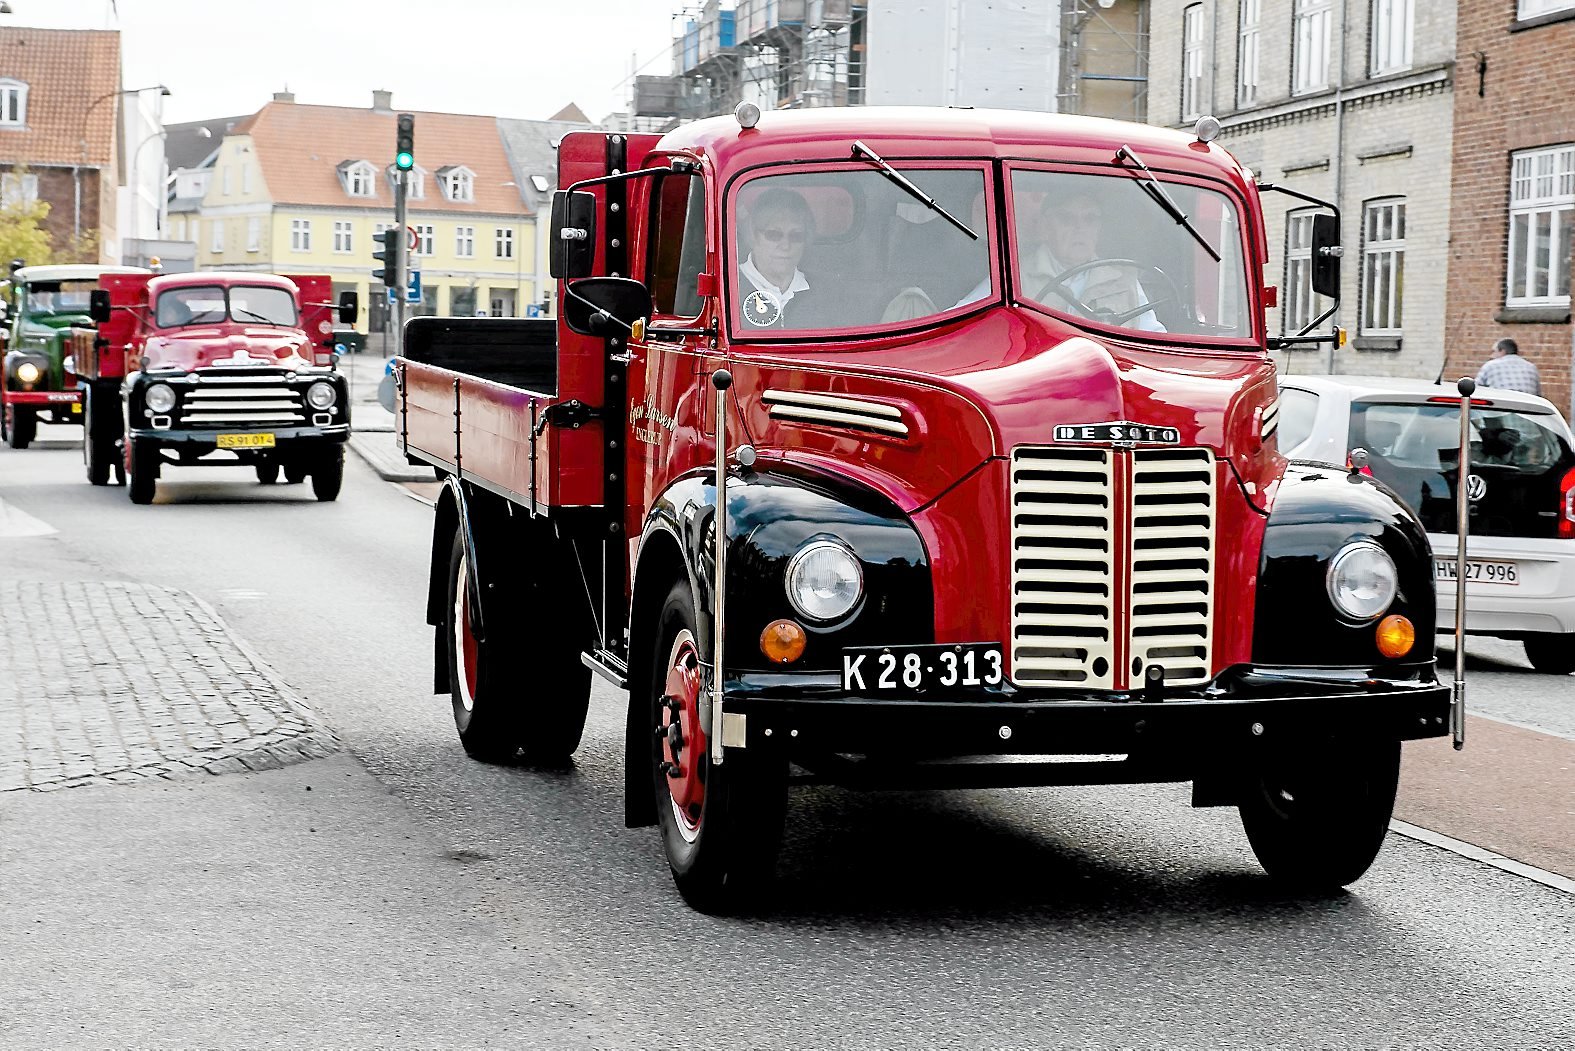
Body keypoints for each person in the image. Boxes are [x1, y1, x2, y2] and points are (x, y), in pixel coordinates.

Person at [955, 188, 1164, 331]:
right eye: (1067, 219)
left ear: (1098, 229)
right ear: (1046, 227)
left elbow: (1155, 339)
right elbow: (961, 319)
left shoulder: (1123, 278)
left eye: (1090, 219)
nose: (1080, 229)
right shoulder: (1014, 277)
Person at [737, 188, 828, 330]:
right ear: (753, 235)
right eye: (774, 234)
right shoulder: (731, 286)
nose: (786, 245)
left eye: (796, 236)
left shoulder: (823, 292)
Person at [1475, 337, 1541, 396]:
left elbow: (1477, 389)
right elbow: (1538, 394)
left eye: (1494, 351)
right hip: (1528, 406)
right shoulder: (1531, 367)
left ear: (1502, 351)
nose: (1491, 355)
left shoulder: (1490, 366)